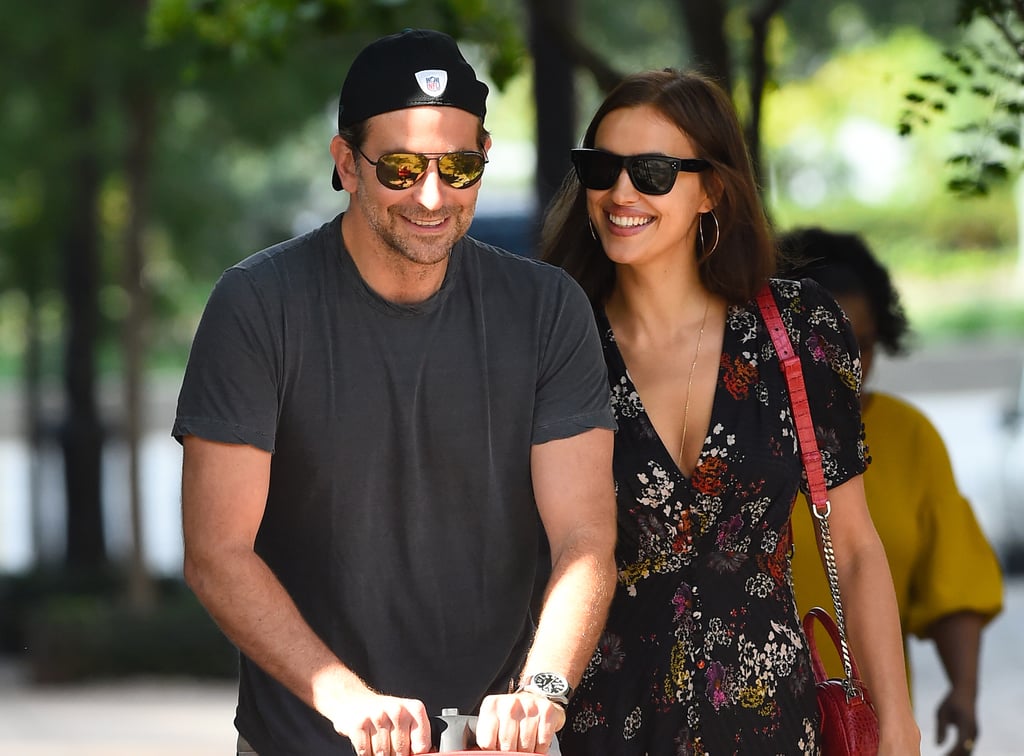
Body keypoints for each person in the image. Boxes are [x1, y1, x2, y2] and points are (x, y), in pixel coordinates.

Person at [173, 28, 619, 756]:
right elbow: (217, 551)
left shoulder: (547, 310)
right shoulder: (257, 305)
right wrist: (346, 700)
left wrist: (542, 691)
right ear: (346, 163)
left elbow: (584, 538)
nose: (432, 195)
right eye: (403, 167)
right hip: (307, 740)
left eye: (460, 166)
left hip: (490, 745)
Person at [539, 68, 921, 754]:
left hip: (771, 723)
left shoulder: (799, 329)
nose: (621, 192)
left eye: (653, 171)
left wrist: (897, 724)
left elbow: (856, 548)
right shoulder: (555, 345)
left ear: (712, 189)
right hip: (602, 727)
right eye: (602, 167)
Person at [780, 226, 1004, 756]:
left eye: (859, 345)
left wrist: (963, 692)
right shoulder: (744, 436)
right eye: (824, 346)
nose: (845, 365)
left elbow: (953, 578)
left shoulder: (911, 437)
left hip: (864, 729)